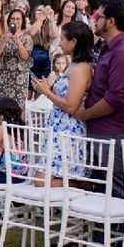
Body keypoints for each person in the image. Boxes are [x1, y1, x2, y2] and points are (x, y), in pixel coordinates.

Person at [75, 0, 124, 199]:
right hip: (102, 130)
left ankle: (121, 230)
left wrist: (84, 114)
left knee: (120, 192)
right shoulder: (110, 46)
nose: (95, 21)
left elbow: (115, 99)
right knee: (102, 190)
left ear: (111, 21)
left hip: (115, 132)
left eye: (99, 17)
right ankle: (101, 230)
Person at [32, 21, 94, 186]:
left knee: (41, 182)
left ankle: (84, 184)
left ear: (73, 42)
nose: (60, 43)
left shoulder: (81, 68)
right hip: (58, 127)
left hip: (69, 129)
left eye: (63, 39)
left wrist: (47, 92)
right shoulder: (71, 64)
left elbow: (71, 106)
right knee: (39, 179)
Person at [0, 8, 33, 111]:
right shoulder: (2, 36)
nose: (15, 21)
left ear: (23, 21)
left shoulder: (27, 38)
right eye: (13, 18)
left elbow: (25, 56)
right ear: (9, 20)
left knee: (18, 107)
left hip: (19, 77)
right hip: (3, 76)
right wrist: (4, 41)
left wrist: (18, 40)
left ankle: (16, 127)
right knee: (2, 107)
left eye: (18, 19)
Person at [28, 6, 55, 99]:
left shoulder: (47, 27)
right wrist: (40, 19)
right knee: (27, 95)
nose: (42, 12)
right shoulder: (28, 24)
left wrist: (51, 20)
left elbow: (56, 36)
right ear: (34, 12)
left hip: (44, 65)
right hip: (30, 65)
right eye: (39, 10)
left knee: (39, 97)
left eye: (44, 11)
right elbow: (31, 32)